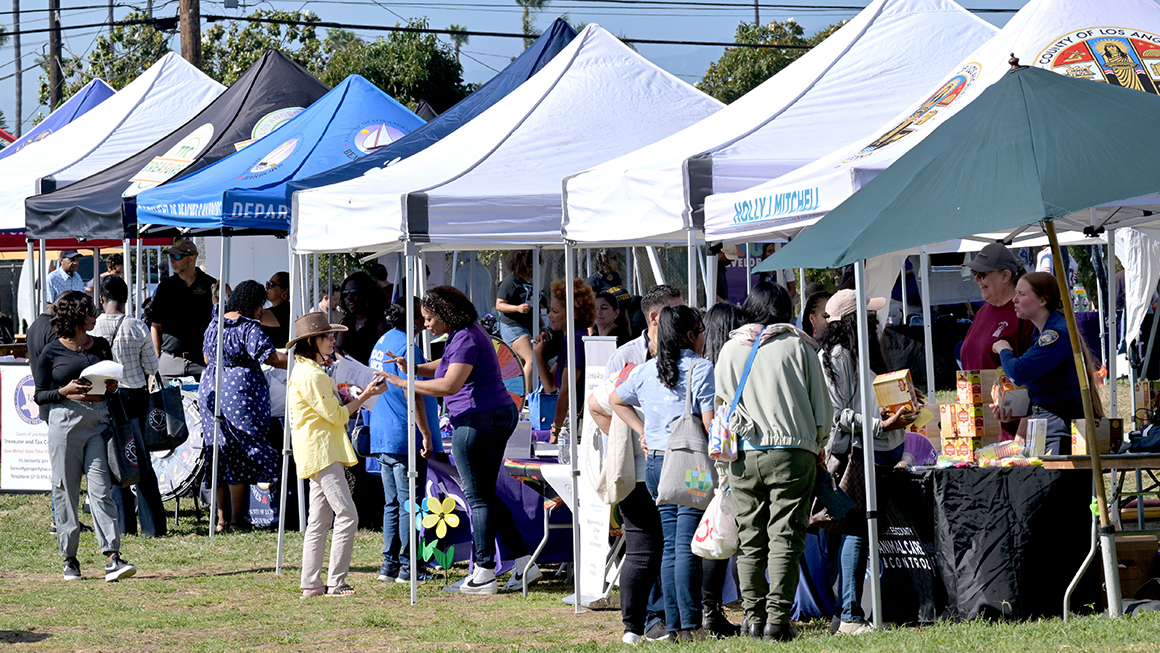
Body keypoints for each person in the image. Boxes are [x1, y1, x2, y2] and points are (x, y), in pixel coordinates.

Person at [377, 286, 538, 594]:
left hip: (479, 419)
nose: (424, 324)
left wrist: (405, 382)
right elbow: (446, 365)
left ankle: (484, 572)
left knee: (478, 498)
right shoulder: (466, 332)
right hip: (495, 414)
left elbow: (450, 385)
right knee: (487, 495)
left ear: (445, 315)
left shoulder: (464, 336)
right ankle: (523, 565)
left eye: (427, 318)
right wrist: (414, 368)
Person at [716, 282, 831, 642]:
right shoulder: (799, 346)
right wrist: (819, 442)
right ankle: (777, 621)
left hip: (743, 456)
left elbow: (721, 406)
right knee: (785, 535)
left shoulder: (729, 349)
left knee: (750, 538)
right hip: (793, 452)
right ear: (785, 310)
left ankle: (753, 618)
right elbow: (822, 408)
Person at [611, 305, 715, 642]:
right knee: (686, 546)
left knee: (671, 545)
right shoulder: (700, 369)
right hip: (689, 464)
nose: (703, 338)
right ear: (689, 335)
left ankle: (674, 625)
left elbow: (614, 399)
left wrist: (643, 431)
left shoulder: (644, 371)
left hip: (656, 464)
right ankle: (690, 624)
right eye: (701, 332)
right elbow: (710, 424)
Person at [585, 284, 682, 643]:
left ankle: (644, 626)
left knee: (657, 547)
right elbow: (599, 406)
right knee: (653, 547)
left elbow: (602, 402)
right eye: (677, 312)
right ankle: (653, 622)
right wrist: (629, 438)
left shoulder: (674, 358)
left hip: (668, 467)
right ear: (656, 317)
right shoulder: (628, 360)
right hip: (649, 469)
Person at [818, 288, 915, 635]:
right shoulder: (839, 354)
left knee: (856, 532)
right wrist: (881, 424)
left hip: (875, 449)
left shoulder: (857, 352)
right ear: (852, 320)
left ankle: (845, 613)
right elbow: (838, 413)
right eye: (867, 314)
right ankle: (849, 614)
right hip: (856, 453)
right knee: (855, 531)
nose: (875, 320)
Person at [35, 290, 136, 582]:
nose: (96, 316)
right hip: (64, 423)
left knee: (101, 489)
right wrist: (63, 391)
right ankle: (70, 559)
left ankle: (112, 558)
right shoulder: (52, 351)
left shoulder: (101, 345)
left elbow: (110, 379)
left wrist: (112, 387)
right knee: (65, 490)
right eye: (91, 312)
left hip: (98, 422)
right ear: (76, 317)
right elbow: (39, 394)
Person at [289, 313, 386, 597]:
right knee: (346, 515)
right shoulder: (312, 374)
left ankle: (312, 584)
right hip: (323, 451)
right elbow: (338, 415)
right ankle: (336, 582)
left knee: (318, 522)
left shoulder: (308, 370)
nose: (333, 340)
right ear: (312, 341)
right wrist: (365, 394)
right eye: (327, 336)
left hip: (318, 450)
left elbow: (332, 411)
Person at [199, 280, 288, 531]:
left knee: (217, 449)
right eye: (261, 305)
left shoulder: (215, 321)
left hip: (212, 387)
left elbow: (206, 357)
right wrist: (300, 359)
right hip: (240, 392)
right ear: (255, 305)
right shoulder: (248, 327)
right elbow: (269, 356)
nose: (262, 311)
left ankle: (220, 520)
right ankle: (238, 520)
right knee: (241, 450)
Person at [368, 300, 441, 584]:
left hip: (383, 433)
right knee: (410, 503)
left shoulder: (382, 341)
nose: (425, 322)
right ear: (412, 321)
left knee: (392, 503)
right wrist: (426, 433)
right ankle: (410, 567)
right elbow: (416, 394)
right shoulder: (408, 349)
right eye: (422, 317)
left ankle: (390, 565)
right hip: (402, 434)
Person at [993, 272, 1104, 454]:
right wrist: (1015, 409)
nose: (1014, 300)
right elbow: (1048, 388)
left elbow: (1018, 373)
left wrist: (1003, 349)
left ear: (1043, 300)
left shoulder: (1057, 335)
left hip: (1061, 431)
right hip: (1051, 426)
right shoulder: (1046, 334)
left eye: (1022, 294)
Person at [90, 275, 166, 538]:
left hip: (105, 398)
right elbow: (152, 368)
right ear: (125, 298)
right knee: (141, 461)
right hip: (136, 396)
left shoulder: (92, 328)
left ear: (102, 298)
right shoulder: (137, 327)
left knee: (113, 460)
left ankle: (122, 525)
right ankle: (153, 526)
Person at [699, 301, 747, 638]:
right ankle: (713, 610)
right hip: (725, 463)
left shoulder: (701, 367)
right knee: (725, 530)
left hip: (696, 465)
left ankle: (707, 608)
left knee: (708, 531)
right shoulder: (733, 368)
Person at [960, 244, 1036, 439]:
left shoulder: (1024, 314)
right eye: (974, 273)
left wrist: (1022, 427)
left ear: (1005, 275)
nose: (976, 279)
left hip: (1011, 433)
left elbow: (1036, 376)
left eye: (982, 273)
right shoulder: (983, 313)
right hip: (974, 427)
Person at [532, 278, 596, 444]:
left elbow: (566, 391)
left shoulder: (576, 340)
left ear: (572, 313)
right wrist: (539, 355)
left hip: (579, 425)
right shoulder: (568, 340)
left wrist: (555, 430)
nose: (549, 315)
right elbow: (551, 387)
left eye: (554, 311)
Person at [150, 241, 216, 382]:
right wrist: (157, 358)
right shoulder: (165, 287)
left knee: (204, 404)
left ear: (191, 258)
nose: (172, 260)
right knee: (167, 404)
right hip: (169, 361)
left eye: (177, 256)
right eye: (171, 256)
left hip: (202, 361)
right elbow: (155, 324)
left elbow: (220, 322)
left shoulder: (210, 284)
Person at [494, 250, 537, 393]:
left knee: (522, 362)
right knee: (532, 358)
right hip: (513, 326)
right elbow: (499, 305)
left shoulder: (528, 282)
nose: (532, 268)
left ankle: (516, 395)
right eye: (530, 264)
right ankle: (525, 397)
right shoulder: (509, 282)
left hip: (526, 326)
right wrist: (517, 308)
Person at [335, 271, 389, 365]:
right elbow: (337, 347)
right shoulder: (346, 323)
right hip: (349, 374)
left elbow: (386, 353)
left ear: (367, 294)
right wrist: (343, 362)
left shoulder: (379, 323)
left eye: (354, 293)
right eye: (345, 294)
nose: (349, 297)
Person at [259, 271, 292, 349]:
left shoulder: (285, 311)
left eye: (271, 284)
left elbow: (252, 314)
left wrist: (231, 295)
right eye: (267, 284)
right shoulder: (273, 310)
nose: (266, 287)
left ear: (285, 290)